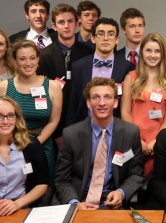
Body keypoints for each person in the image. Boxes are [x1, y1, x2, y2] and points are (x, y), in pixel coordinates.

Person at [54, 77, 144, 209]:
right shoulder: (71, 134)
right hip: (80, 199)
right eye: (96, 97)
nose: (102, 103)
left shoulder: (130, 133)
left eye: (107, 97)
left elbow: (136, 175)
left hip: (113, 201)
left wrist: (121, 193)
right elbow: (62, 180)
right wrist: (74, 203)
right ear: (88, 103)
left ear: (115, 102)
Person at [0, 96, 48, 215]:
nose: (5, 121)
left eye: (10, 115)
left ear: (17, 118)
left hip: (23, 209)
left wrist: (17, 204)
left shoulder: (31, 146)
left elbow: (42, 184)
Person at [0, 40, 62, 180]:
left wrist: (35, 144)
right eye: (22, 59)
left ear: (38, 59)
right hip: (10, 147)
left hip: (41, 146)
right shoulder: (3, 87)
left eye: (32, 58)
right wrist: (16, 145)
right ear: (14, 61)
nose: (28, 63)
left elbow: (54, 121)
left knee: (43, 190)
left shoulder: (52, 86)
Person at [121, 33, 166, 177]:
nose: (153, 55)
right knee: (132, 183)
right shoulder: (131, 77)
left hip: (159, 140)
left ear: (163, 54)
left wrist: (156, 141)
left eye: (157, 51)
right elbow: (125, 112)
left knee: (156, 184)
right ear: (142, 52)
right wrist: (137, 140)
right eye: (148, 50)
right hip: (133, 139)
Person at [38, 3, 94, 145]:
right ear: (54, 26)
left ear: (77, 24)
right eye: (61, 22)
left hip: (85, 122)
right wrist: (57, 132)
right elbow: (45, 96)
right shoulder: (45, 56)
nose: (66, 26)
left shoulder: (89, 53)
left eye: (70, 21)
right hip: (56, 125)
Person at [66, 18, 134, 126]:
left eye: (111, 34)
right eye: (101, 34)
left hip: (116, 129)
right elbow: (72, 102)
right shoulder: (78, 66)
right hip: (83, 127)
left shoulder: (128, 67)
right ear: (93, 38)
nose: (106, 38)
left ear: (117, 39)